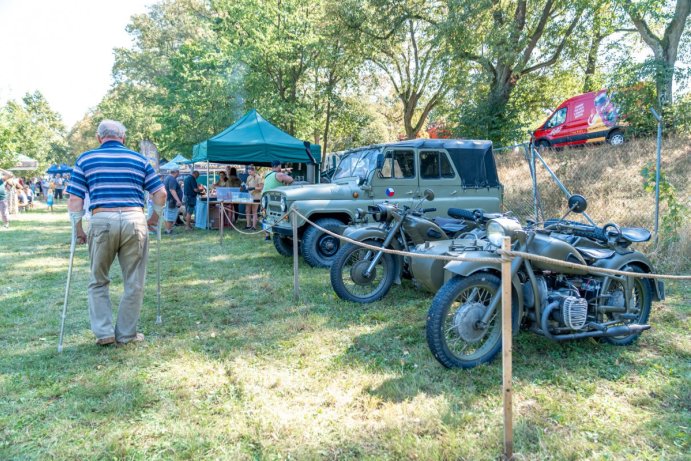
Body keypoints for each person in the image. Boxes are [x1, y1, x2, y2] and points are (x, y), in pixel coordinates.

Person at [66, 119, 167, 346]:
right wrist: (153, 218)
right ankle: (127, 334)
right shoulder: (139, 159)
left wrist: (78, 229)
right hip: (134, 219)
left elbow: (75, 199)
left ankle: (104, 333)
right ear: (123, 138)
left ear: (99, 137)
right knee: (134, 280)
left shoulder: (85, 159)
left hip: (102, 219)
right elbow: (160, 194)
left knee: (98, 279)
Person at [163, 169, 183, 235]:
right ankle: (169, 230)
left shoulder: (167, 178)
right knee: (170, 215)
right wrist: (178, 200)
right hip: (172, 200)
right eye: (179, 172)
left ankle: (167, 229)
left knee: (167, 215)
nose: (179, 174)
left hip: (168, 199)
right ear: (176, 172)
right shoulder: (172, 179)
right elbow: (172, 190)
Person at [245, 165, 263, 231]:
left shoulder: (258, 177)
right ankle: (248, 225)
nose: (249, 173)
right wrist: (245, 186)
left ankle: (254, 227)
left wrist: (253, 188)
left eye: (250, 172)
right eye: (248, 172)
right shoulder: (249, 177)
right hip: (249, 196)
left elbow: (261, 188)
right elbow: (247, 185)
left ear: (253, 170)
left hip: (256, 196)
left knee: (254, 211)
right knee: (247, 210)